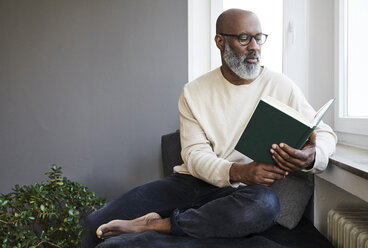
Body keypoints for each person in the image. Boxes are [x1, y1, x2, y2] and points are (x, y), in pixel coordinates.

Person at [81, 9, 337, 247]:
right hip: (190, 183)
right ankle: (179, 224)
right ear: (220, 41)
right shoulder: (194, 91)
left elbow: (325, 133)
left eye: (259, 38)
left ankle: (159, 225)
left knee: (265, 205)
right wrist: (238, 171)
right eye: (245, 38)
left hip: (243, 195)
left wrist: (311, 156)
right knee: (94, 225)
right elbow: (193, 155)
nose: (255, 47)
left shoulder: (282, 86)